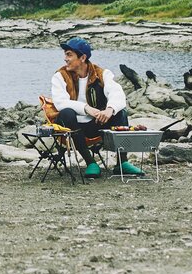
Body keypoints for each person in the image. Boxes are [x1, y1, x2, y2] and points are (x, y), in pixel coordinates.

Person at [51, 37, 144, 178]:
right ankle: (90, 162)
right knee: (66, 113)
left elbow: (117, 93)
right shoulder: (60, 76)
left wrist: (109, 110)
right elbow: (60, 102)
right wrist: (87, 108)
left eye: (69, 54)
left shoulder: (101, 74)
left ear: (82, 57)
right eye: (65, 54)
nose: (65, 59)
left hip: (97, 123)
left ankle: (122, 163)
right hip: (73, 127)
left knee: (120, 113)